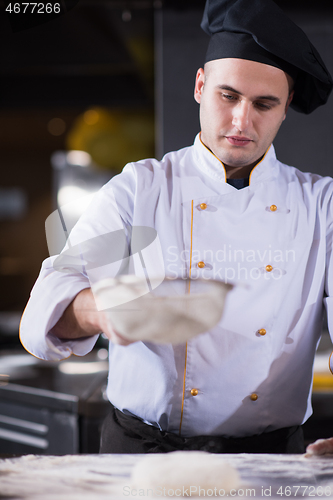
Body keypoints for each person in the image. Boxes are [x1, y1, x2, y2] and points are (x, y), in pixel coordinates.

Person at [20, 0, 333, 455]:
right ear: (200, 86)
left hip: (269, 457)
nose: (242, 121)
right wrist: (100, 311)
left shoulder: (320, 205)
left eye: (265, 104)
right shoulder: (138, 189)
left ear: (285, 109)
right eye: (228, 96)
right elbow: (41, 314)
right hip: (142, 453)